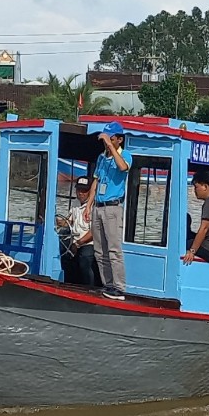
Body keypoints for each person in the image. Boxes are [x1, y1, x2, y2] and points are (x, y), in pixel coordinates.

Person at [88, 121, 130, 297]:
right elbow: (96, 181)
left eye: (110, 138)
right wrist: (88, 205)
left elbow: (123, 167)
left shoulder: (125, 154)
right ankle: (108, 284)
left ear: (119, 139)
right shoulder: (101, 158)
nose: (106, 142)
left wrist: (112, 149)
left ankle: (119, 287)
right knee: (99, 250)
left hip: (113, 207)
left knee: (114, 249)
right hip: (99, 206)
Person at [56, 176, 97, 285]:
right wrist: (60, 222)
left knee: (85, 259)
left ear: (90, 191)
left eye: (84, 190)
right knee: (63, 256)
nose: (80, 193)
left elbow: (94, 232)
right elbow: (70, 221)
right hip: (74, 241)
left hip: (89, 242)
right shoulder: (75, 203)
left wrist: (78, 243)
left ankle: (89, 288)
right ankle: (69, 284)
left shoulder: (95, 207)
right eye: (78, 190)